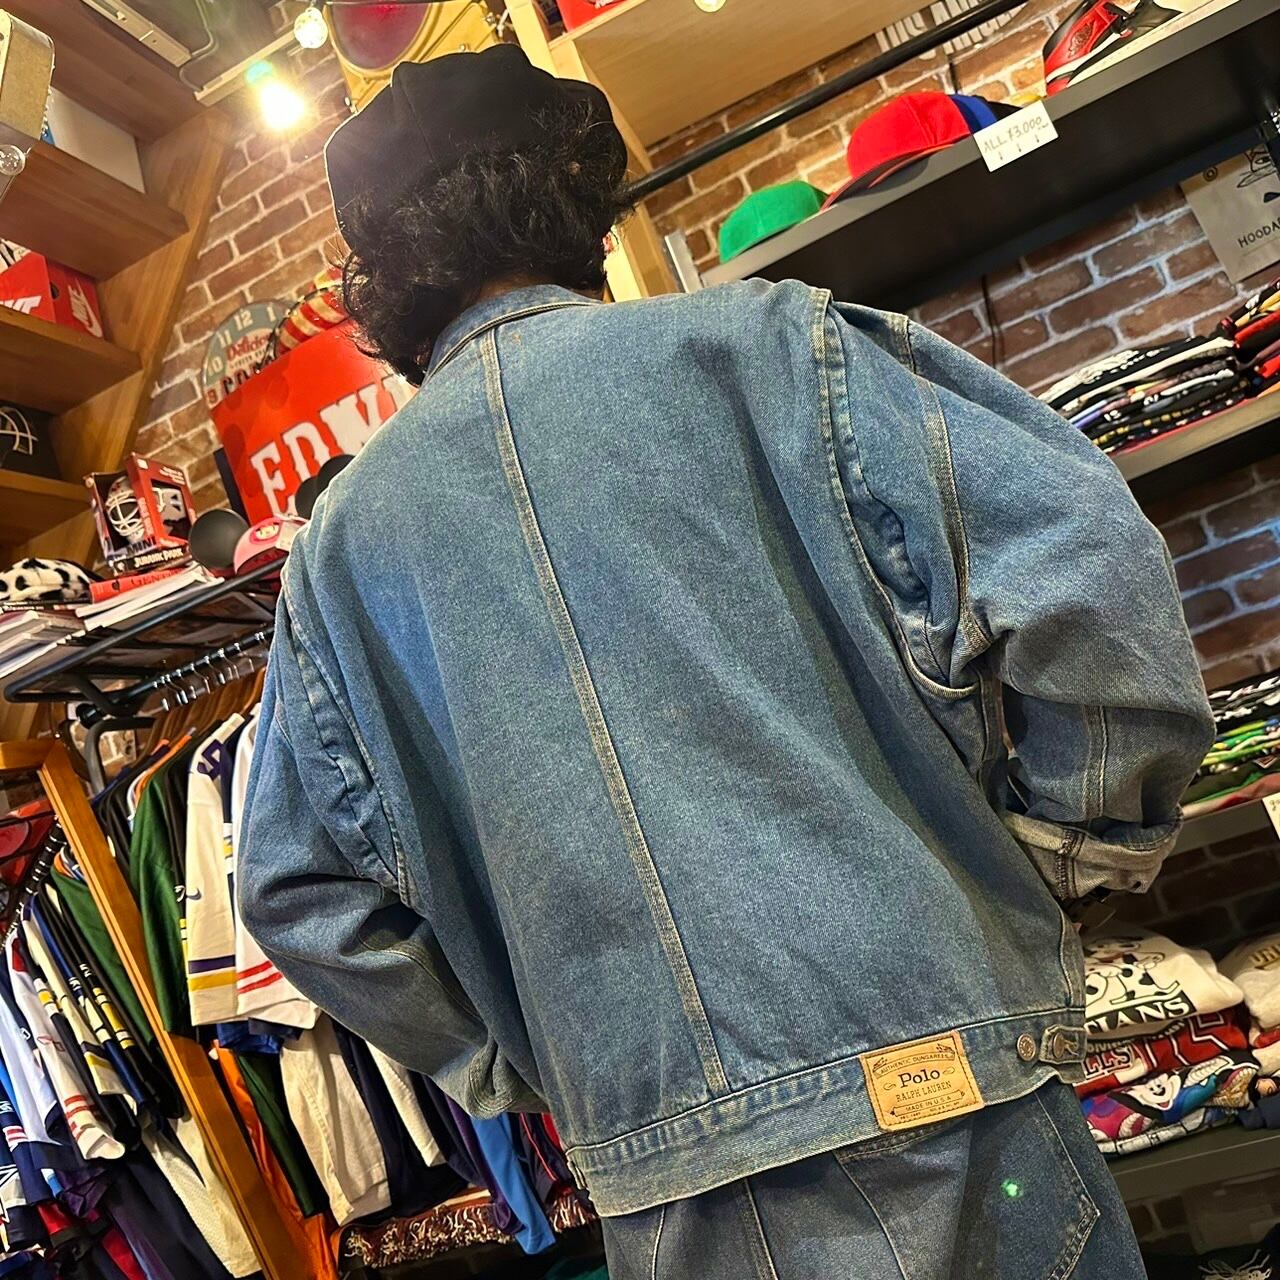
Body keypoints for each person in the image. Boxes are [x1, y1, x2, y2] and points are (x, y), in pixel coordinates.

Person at [238, 44, 1213, 1277]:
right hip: (942, 1086)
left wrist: (522, 1055)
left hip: (666, 1170)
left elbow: (299, 890)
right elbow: (1087, 567)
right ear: (575, 203)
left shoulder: (335, 557)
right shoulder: (774, 350)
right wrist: (1071, 842)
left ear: (380, 280)